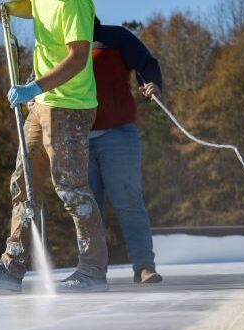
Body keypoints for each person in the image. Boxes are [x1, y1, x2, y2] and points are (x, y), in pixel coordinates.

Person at [0, 0, 109, 292]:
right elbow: (32, 6)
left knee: (71, 188)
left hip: (70, 105)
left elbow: (79, 57)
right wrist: (11, 9)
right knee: (23, 182)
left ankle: (93, 270)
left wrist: (35, 87)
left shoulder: (74, 3)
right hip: (42, 103)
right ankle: (11, 265)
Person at [90, 17, 163, 283]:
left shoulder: (115, 37)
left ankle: (143, 266)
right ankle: (93, 270)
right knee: (87, 209)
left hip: (117, 134)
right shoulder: (57, 43)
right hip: (75, 139)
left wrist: (153, 82)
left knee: (129, 202)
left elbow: (146, 64)